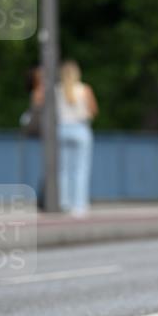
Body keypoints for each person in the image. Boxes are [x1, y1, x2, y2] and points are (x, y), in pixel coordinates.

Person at [56, 60, 99, 216]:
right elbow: (93, 110)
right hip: (80, 129)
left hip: (61, 130)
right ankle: (79, 206)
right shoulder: (84, 89)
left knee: (63, 170)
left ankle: (64, 203)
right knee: (80, 169)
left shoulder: (57, 90)